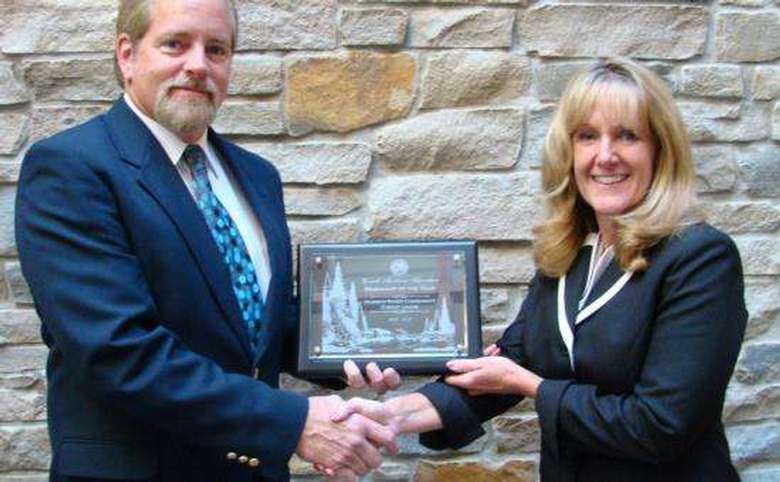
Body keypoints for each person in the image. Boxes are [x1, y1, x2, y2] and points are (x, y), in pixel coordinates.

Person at [14, 0, 399, 481]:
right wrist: (293, 422)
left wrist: (363, 347)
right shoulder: (71, 168)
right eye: (175, 44)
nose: (198, 65)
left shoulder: (257, 176)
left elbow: (256, 324)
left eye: (216, 49)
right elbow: (118, 351)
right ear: (127, 55)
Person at [334, 58, 748, 482]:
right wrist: (390, 416)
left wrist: (532, 386)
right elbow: (512, 360)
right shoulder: (568, 255)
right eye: (587, 136)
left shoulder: (699, 257)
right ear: (568, 152)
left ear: (660, 150)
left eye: (627, 135)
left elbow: (659, 426)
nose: (605, 156)